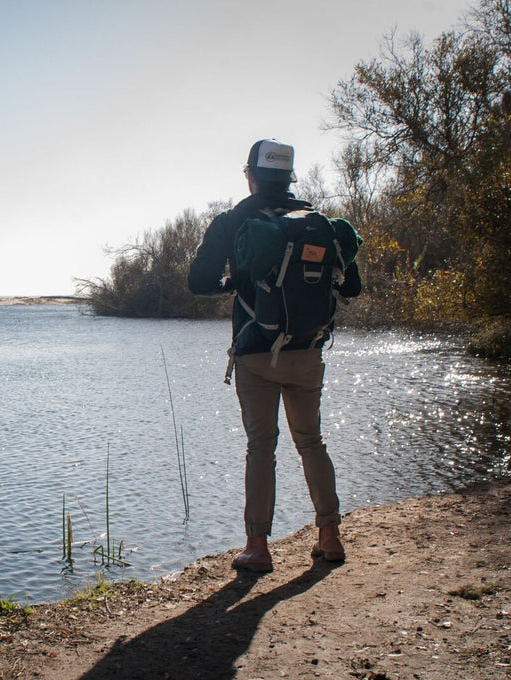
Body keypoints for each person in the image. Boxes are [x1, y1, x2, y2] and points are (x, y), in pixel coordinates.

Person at [187, 139, 362, 573]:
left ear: (250, 175)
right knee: (311, 442)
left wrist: (234, 283)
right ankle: (330, 535)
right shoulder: (318, 223)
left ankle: (258, 547)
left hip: (256, 351)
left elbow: (198, 281)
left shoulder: (233, 220)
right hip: (308, 350)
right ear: (289, 178)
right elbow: (352, 287)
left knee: (261, 448)